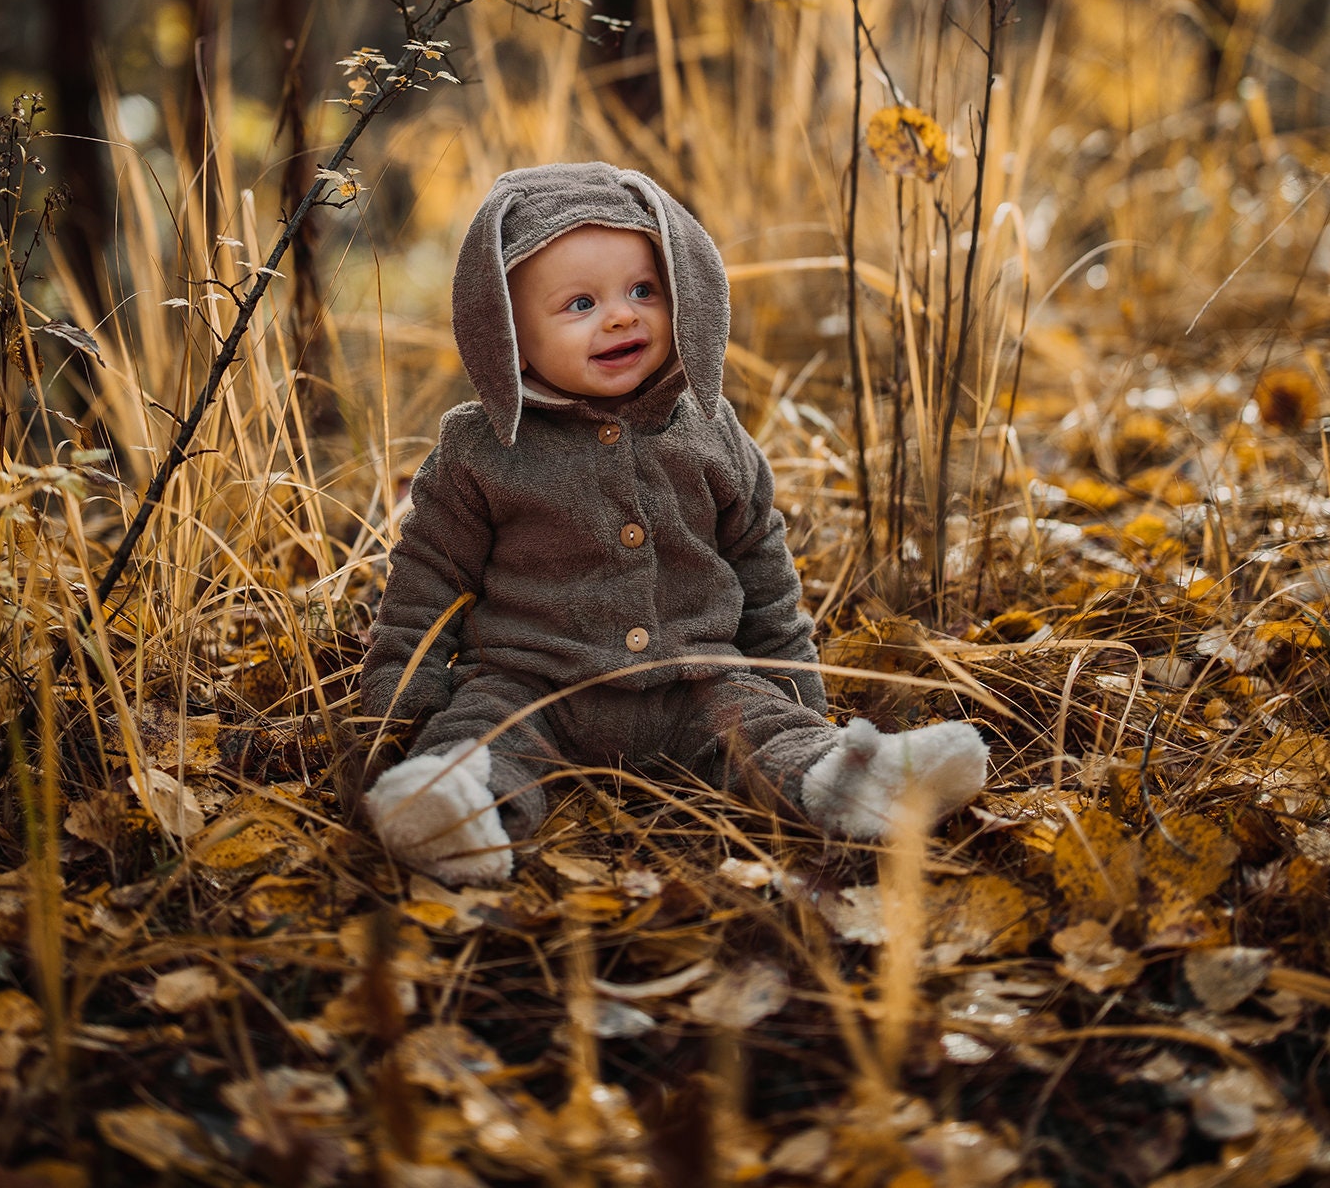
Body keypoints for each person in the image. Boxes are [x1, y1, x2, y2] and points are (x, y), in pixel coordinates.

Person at [361, 162, 986, 885]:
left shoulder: (710, 430)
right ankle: (456, 809)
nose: (622, 316)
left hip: (696, 678)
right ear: (508, 334)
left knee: (762, 730)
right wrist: (397, 705)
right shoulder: (481, 448)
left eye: (642, 291)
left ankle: (852, 780)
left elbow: (761, 568)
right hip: (532, 683)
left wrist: (801, 696)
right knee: (480, 735)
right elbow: (427, 577)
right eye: (579, 304)